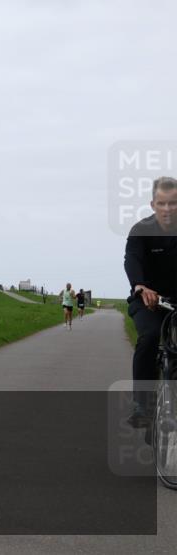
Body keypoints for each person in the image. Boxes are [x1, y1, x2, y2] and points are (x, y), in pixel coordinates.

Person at [124, 176, 177, 428]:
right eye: (162, 203)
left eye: (173, 203)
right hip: (148, 301)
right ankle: (142, 405)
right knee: (150, 336)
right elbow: (132, 259)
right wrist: (140, 285)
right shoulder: (140, 230)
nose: (168, 209)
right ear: (153, 204)